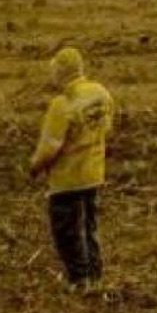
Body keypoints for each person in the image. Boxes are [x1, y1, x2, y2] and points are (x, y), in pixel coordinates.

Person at [29, 47, 114, 291]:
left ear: (61, 71)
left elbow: (50, 147)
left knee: (67, 232)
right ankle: (95, 275)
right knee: (89, 227)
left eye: (54, 69)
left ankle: (79, 281)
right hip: (94, 173)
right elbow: (107, 128)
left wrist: (34, 166)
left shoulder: (62, 103)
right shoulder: (101, 93)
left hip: (68, 179)